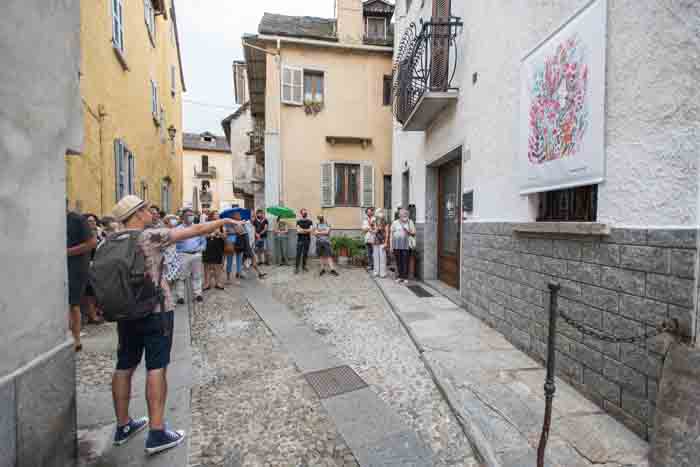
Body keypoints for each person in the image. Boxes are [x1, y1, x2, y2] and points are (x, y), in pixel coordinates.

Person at [109, 195, 243, 454]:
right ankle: (157, 432)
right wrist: (223, 221)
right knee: (156, 367)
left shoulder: (112, 239)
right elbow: (195, 230)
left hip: (126, 311)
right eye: (146, 209)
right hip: (155, 309)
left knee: (124, 366)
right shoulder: (150, 237)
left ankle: (122, 425)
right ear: (137, 214)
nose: (150, 212)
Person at [66, 210, 97, 351]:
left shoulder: (77, 219)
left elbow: (92, 242)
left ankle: (76, 339)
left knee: (73, 304)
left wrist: (67, 252)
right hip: (61, 266)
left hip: (77, 267)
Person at [175, 208, 205, 303]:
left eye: (192, 215)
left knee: (197, 275)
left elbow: (203, 241)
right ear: (183, 217)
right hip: (183, 254)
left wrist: (201, 248)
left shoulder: (197, 227)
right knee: (180, 276)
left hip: (196, 254)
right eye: (188, 215)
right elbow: (174, 243)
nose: (190, 217)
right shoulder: (178, 229)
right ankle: (180, 296)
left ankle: (198, 294)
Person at [82, 213, 104, 325]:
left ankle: (97, 312)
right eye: (89, 221)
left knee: (97, 291)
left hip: (99, 266)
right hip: (88, 265)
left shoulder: (100, 233)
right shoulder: (84, 235)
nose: (92, 223)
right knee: (90, 292)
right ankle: (92, 315)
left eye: (94, 220)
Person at [231, 211, 267, 279]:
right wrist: (241, 224)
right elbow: (240, 232)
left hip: (249, 245)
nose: (254, 218)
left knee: (243, 261)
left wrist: (256, 236)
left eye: (254, 216)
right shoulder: (245, 223)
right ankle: (259, 273)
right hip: (246, 246)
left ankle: (238, 272)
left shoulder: (253, 224)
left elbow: (252, 235)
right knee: (253, 259)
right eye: (252, 216)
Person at [390, 208, 416, 284]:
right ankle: (400, 276)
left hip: (406, 245)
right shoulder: (395, 223)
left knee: (406, 261)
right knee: (399, 261)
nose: (404, 215)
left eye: (405, 214)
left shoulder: (410, 222)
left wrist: (408, 231)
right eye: (402, 214)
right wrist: (391, 246)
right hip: (396, 245)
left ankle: (405, 277)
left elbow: (414, 233)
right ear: (399, 215)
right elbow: (391, 235)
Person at [202, 211, 225, 290]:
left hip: (218, 247)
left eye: (218, 215)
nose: (218, 216)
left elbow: (225, 236)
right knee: (207, 265)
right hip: (208, 247)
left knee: (217, 266)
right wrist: (210, 235)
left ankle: (218, 283)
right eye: (216, 214)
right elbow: (202, 235)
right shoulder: (207, 224)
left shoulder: (221, 225)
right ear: (211, 216)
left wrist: (219, 233)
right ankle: (207, 283)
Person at [295, 208, 313, 274]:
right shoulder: (298, 221)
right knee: (298, 254)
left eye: (305, 212)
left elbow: (311, 230)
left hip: (307, 240)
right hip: (300, 240)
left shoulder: (310, 221)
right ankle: (297, 268)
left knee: (305, 254)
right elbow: (298, 231)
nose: (305, 213)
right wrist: (306, 230)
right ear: (301, 213)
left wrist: (302, 230)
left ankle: (304, 266)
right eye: (303, 212)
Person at [373, 211, 389, 278]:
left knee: (382, 258)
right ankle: (376, 272)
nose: (379, 217)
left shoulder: (385, 222)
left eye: (380, 216)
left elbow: (387, 233)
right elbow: (374, 231)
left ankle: (382, 273)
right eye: (378, 216)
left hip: (382, 241)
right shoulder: (375, 222)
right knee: (376, 257)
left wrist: (386, 242)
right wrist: (375, 229)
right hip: (376, 241)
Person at [362, 207, 376, 272]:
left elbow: (375, 228)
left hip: (374, 238)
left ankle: (375, 266)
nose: (369, 213)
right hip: (367, 238)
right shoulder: (365, 220)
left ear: (372, 212)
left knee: (374, 253)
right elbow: (363, 230)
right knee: (369, 254)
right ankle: (370, 265)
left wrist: (369, 228)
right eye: (368, 212)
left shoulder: (375, 219)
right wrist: (368, 229)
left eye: (370, 211)